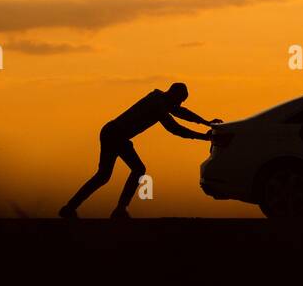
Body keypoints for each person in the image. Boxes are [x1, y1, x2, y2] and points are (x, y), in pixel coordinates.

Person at [59, 82, 221, 219]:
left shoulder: (161, 99)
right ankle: (119, 210)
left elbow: (181, 112)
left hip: (115, 133)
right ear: (173, 95)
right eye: (179, 101)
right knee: (134, 170)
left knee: (104, 175)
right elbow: (175, 129)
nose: (179, 105)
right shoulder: (158, 105)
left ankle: (70, 208)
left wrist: (206, 123)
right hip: (115, 134)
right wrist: (204, 137)